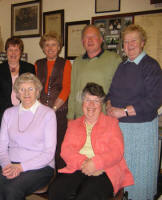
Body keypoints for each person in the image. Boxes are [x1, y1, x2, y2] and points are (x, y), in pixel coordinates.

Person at [48, 82, 134, 200]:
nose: (91, 104)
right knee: (56, 191)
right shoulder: (73, 124)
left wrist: (95, 164)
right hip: (78, 167)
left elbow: (117, 152)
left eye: (96, 101)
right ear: (83, 102)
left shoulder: (111, 124)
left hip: (105, 170)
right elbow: (66, 150)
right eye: (88, 100)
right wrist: (85, 163)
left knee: (87, 195)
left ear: (101, 104)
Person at [106, 24, 162, 200]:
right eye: (126, 41)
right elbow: (111, 91)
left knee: (139, 174)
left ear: (142, 42)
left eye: (134, 41)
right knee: (122, 171)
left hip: (141, 131)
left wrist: (123, 112)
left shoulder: (150, 66)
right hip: (120, 129)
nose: (129, 45)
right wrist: (108, 105)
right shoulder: (123, 66)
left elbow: (154, 100)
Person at [0, 73, 57, 200]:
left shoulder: (48, 114)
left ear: (37, 91)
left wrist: (20, 167)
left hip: (40, 166)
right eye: (22, 89)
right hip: (11, 163)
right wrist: (7, 165)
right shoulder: (9, 113)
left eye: (30, 89)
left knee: (12, 190)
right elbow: (1, 146)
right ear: (17, 93)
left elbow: (49, 153)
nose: (26, 93)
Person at [67, 24, 121, 120]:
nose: (90, 40)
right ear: (82, 41)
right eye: (86, 37)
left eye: (94, 36)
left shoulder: (114, 59)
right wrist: (70, 116)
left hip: (104, 117)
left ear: (101, 39)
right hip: (81, 117)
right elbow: (73, 91)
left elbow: (120, 90)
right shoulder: (77, 61)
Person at [35, 32, 72, 169]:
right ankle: (43, 171)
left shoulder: (66, 64)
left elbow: (67, 88)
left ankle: (59, 174)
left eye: (53, 45)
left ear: (59, 47)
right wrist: (40, 107)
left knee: (58, 144)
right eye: (47, 45)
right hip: (40, 111)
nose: (50, 48)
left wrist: (53, 109)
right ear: (43, 48)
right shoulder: (38, 64)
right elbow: (35, 87)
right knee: (41, 143)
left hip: (59, 112)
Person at [0, 37, 35, 132]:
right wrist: (11, 110)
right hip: (3, 113)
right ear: (6, 51)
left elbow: (33, 91)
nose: (13, 53)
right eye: (10, 50)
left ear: (21, 52)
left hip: (25, 111)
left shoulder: (30, 68)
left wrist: (21, 109)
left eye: (16, 50)